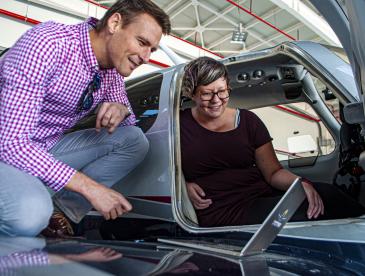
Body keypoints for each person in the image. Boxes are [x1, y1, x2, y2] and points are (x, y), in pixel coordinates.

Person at [0, 0, 171, 237]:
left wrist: (122, 109)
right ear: (114, 23)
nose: (145, 57)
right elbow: (10, 144)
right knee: (28, 215)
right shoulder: (47, 45)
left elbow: (129, 125)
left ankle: (61, 212)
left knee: (135, 141)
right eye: (142, 42)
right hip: (7, 150)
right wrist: (91, 189)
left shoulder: (112, 70)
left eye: (151, 50)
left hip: (46, 147)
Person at [180, 57, 365, 227]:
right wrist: (182, 186)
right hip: (221, 208)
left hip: (260, 194)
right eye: (206, 94)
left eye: (222, 91)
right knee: (304, 214)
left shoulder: (248, 121)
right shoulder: (177, 126)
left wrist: (300, 182)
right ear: (192, 93)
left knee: (327, 195)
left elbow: (273, 173)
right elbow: (161, 171)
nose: (216, 100)